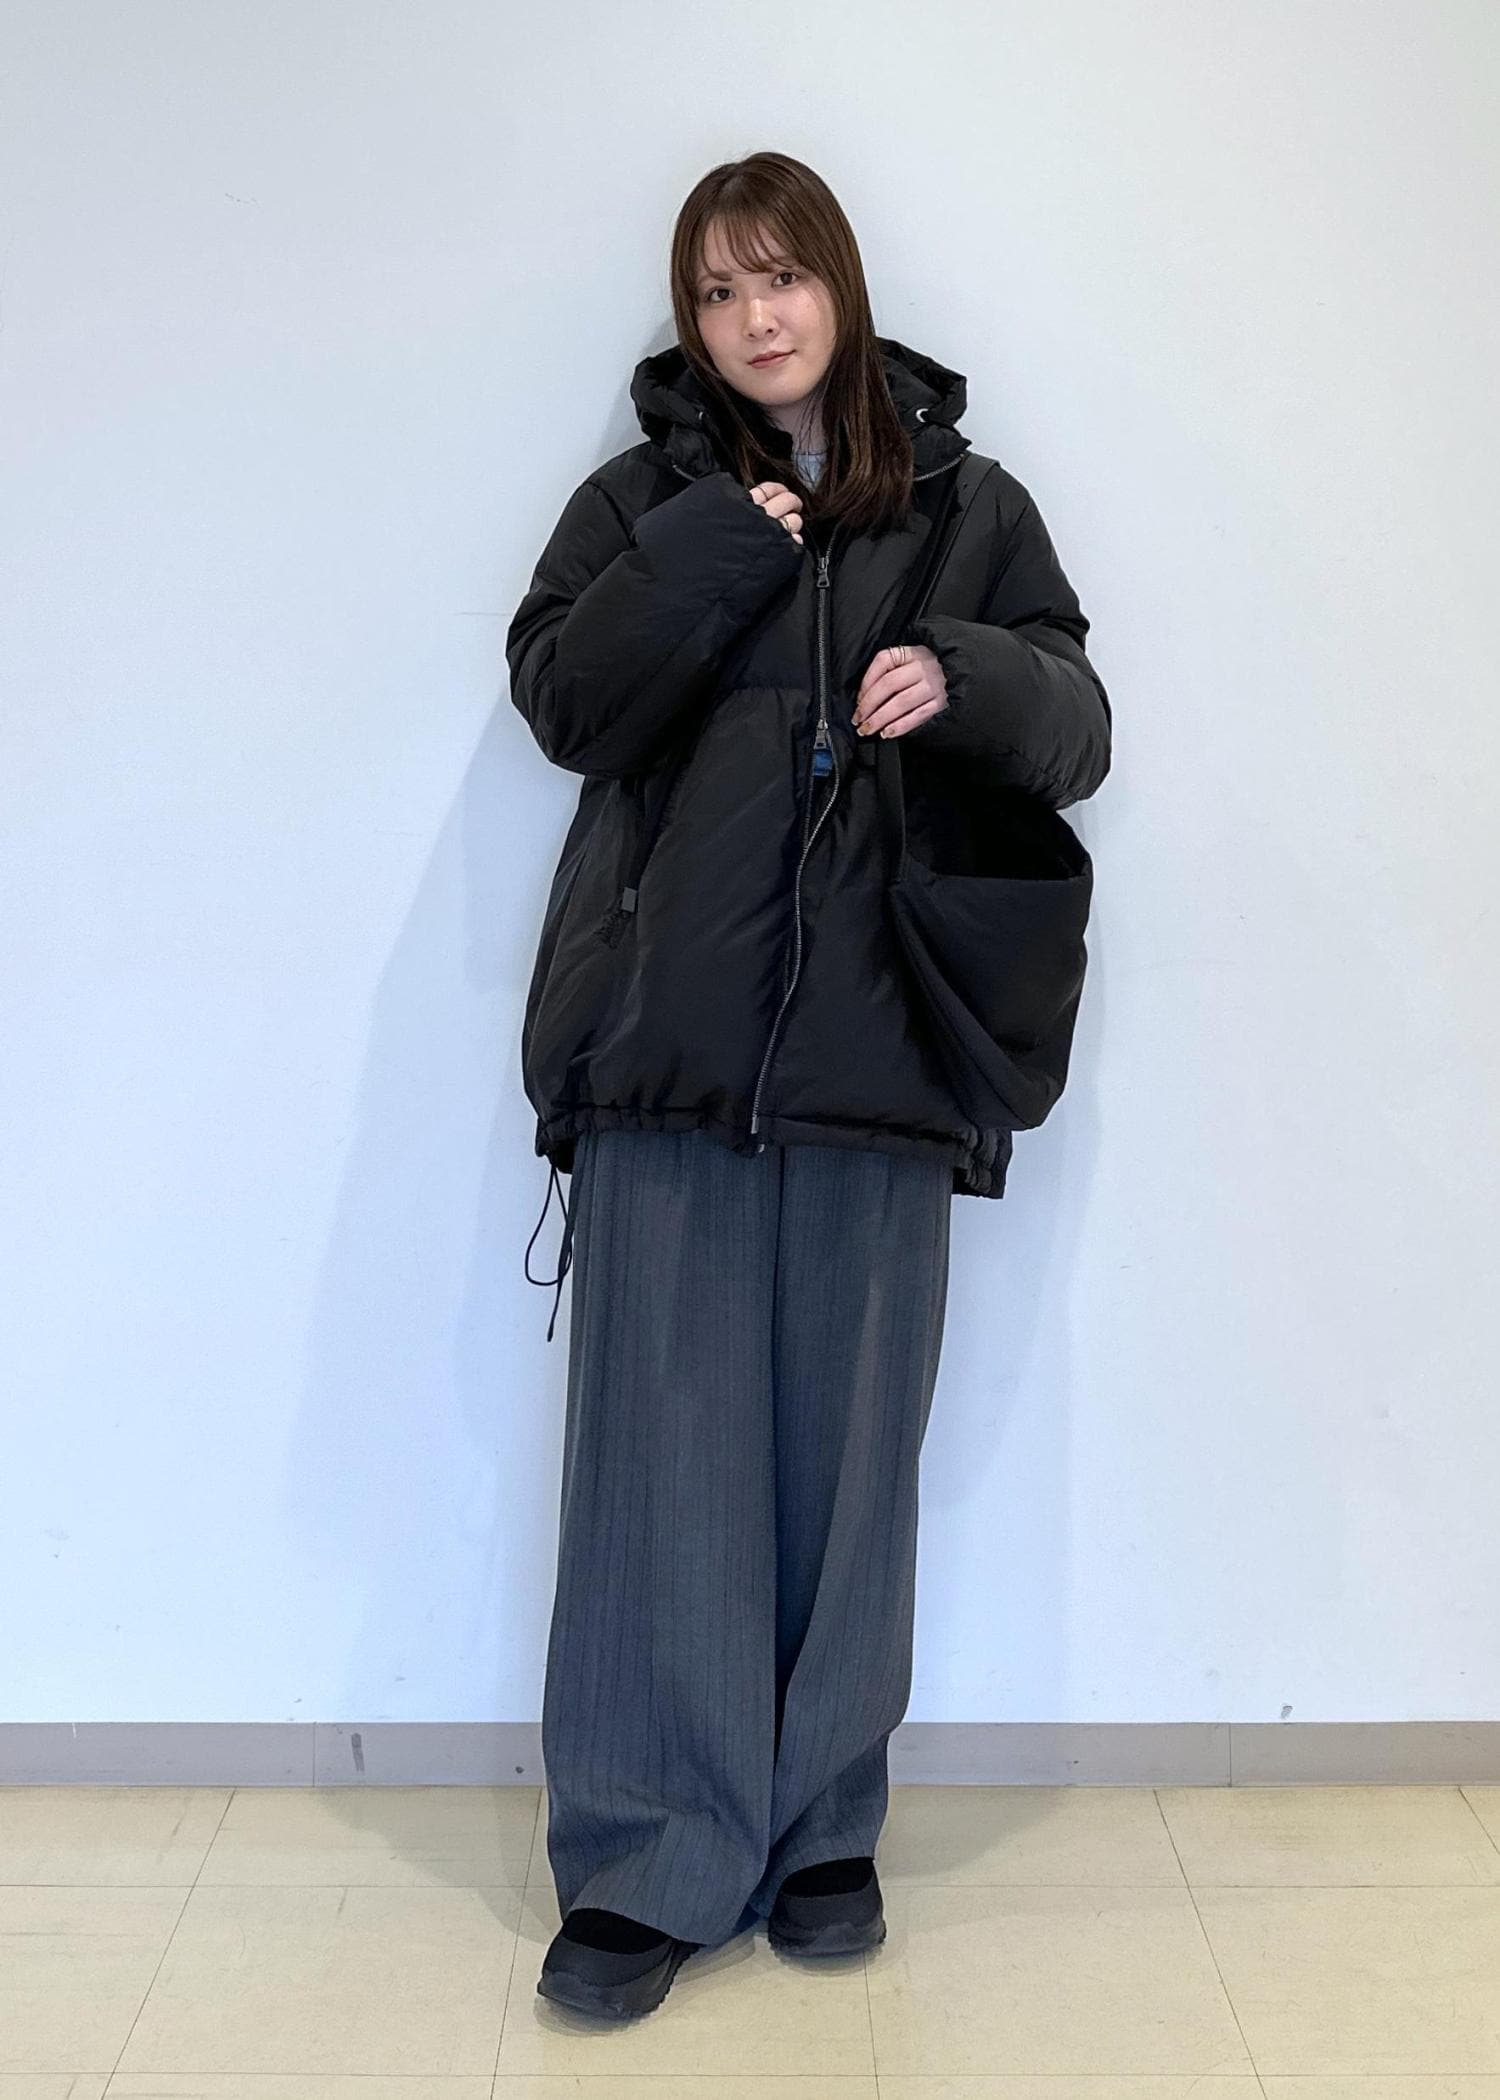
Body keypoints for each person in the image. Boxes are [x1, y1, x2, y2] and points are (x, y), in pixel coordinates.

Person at [505, 150, 1111, 2020]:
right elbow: (565, 703)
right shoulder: (644, 501)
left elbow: (1079, 724)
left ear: (840, 286)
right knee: (658, 1468)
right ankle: (647, 1855)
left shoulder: (966, 507)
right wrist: (723, 544)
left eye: (780, 277)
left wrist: (972, 678)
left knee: (850, 1471)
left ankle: (824, 1831)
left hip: (882, 1051)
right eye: (716, 290)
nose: (754, 317)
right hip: (663, 1053)